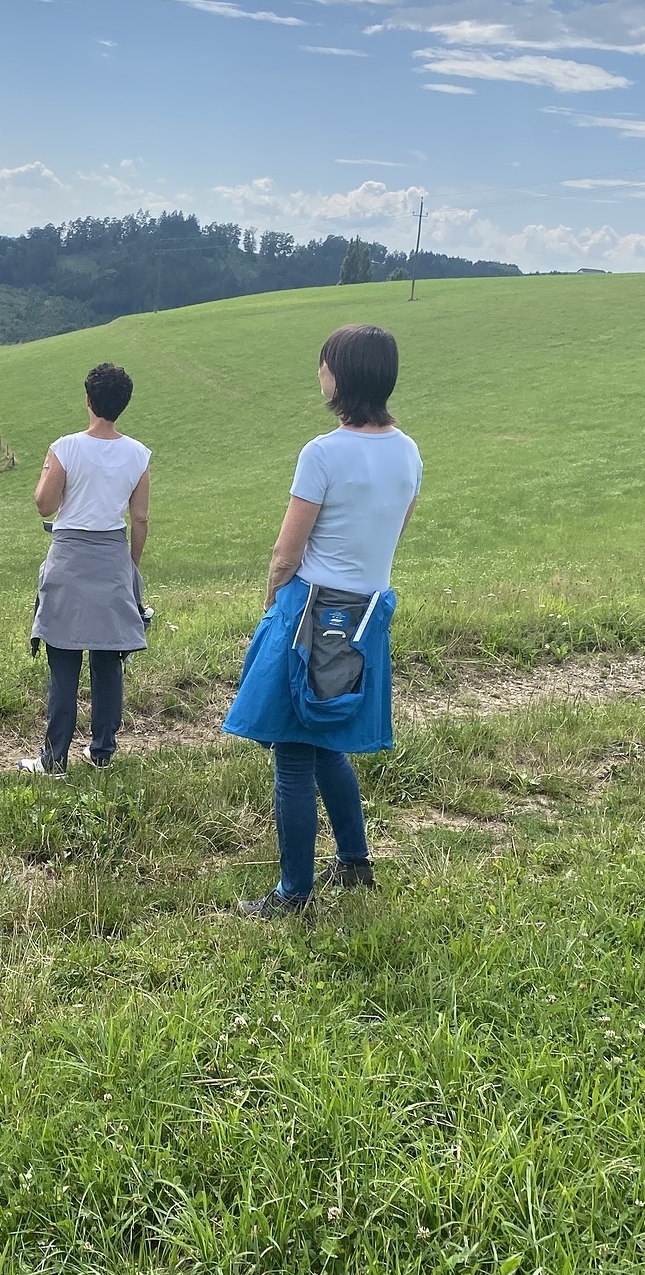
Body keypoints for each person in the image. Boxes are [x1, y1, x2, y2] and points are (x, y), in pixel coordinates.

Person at [223, 324, 421, 916]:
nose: (319, 372)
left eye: (324, 362)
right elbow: (394, 529)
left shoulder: (323, 453)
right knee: (325, 740)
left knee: (291, 752)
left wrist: (271, 606)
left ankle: (293, 894)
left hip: (311, 611)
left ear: (343, 376)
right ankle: (355, 863)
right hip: (366, 617)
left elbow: (287, 552)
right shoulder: (408, 451)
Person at [16, 362, 151, 777]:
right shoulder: (139, 454)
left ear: (89, 400)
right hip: (112, 556)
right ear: (123, 404)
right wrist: (129, 566)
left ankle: (54, 759)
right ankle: (103, 754)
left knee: (63, 661)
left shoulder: (65, 448)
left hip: (69, 558)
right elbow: (140, 518)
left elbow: (44, 505)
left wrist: (47, 469)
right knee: (108, 660)